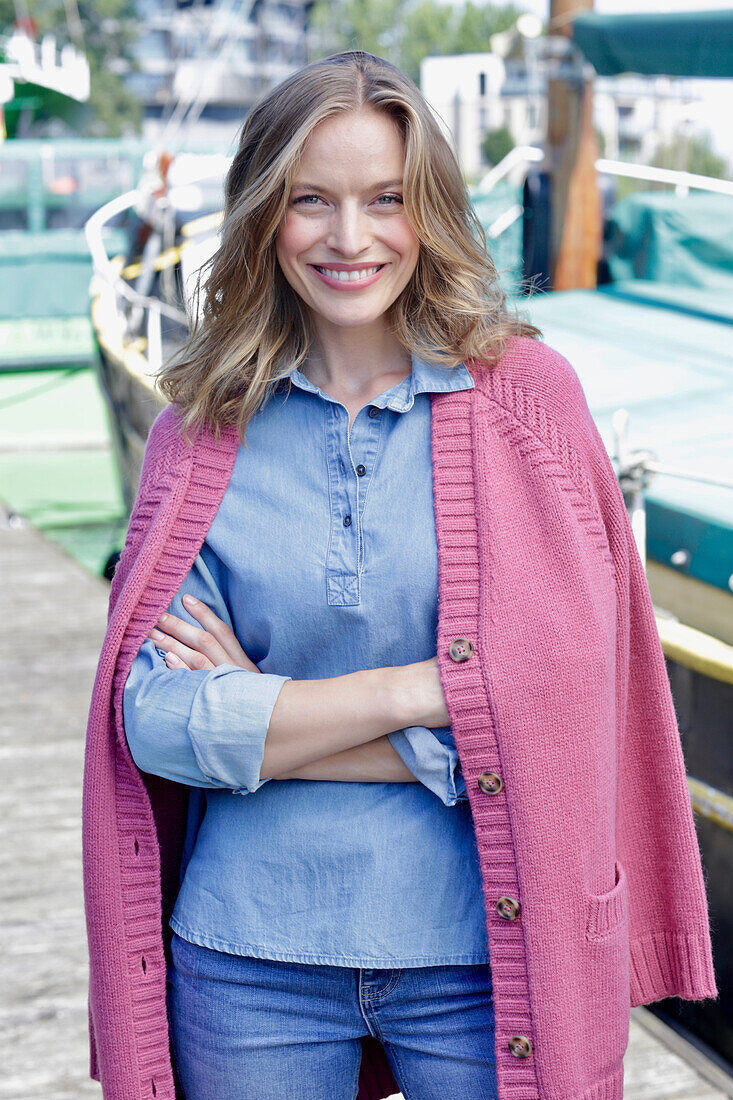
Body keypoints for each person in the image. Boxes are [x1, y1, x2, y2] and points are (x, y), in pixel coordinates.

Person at [82, 50, 717, 1100]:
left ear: (428, 212)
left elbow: (565, 706)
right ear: (261, 216)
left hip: (484, 954)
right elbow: (155, 718)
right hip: (246, 952)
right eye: (309, 201)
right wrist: (434, 689)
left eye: (385, 199)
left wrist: (269, 719)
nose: (349, 238)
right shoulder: (200, 433)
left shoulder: (529, 400)